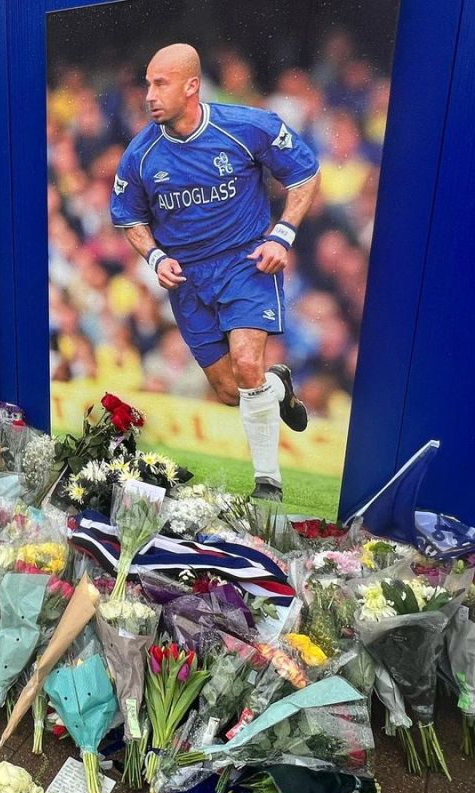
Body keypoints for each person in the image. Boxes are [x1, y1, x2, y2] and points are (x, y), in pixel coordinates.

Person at [111, 44, 321, 501]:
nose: (148, 94)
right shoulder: (140, 155)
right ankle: (277, 385)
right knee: (230, 390)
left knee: (247, 366)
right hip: (187, 280)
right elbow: (129, 217)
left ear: (191, 85)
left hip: (246, 262)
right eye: (147, 83)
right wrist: (154, 258)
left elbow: (304, 173)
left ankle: (268, 484)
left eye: (159, 83)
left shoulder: (247, 127)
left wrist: (282, 235)